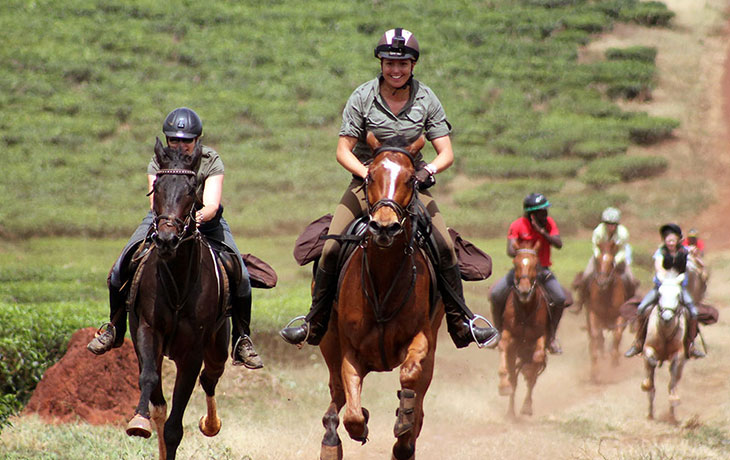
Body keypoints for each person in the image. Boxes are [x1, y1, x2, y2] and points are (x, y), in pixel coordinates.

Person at [279, 28, 498, 349]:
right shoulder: (362, 96)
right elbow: (343, 150)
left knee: (445, 247)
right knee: (330, 247)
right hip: (366, 183)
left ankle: (462, 322)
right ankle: (315, 321)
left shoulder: (427, 99)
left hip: (410, 185)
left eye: (403, 64)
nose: (396, 70)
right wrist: (367, 174)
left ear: (413, 65)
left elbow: (446, 152)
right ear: (380, 63)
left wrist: (428, 171)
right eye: (390, 63)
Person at [87, 107, 264, 369]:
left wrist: (194, 221)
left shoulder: (211, 160)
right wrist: (170, 224)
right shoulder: (157, 161)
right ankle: (114, 327)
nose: (180, 146)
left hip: (207, 222)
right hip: (164, 222)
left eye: (186, 140)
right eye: (174, 140)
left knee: (243, 277)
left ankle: (241, 340)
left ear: (197, 140)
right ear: (167, 140)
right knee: (118, 270)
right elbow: (153, 202)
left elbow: (212, 204)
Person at [488, 193, 567, 354]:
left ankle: (551, 337)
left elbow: (558, 244)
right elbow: (510, 250)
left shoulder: (549, 224)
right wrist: (524, 251)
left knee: (560, 298)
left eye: (545, 211)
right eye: (541, 212)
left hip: (542, 270)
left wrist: (542, 231)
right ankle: (498, 332)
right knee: (496, 294)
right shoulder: (517, 225)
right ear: (531, 214)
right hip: (521, 271)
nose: (545, 215)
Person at [624, 223, 705, 359]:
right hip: (661, 288)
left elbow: (691, 265)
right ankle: (638, 343)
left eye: (673, 239)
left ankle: (691, 345)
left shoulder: (684, 252)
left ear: (678, 240)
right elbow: (658, 267)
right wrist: (665, 278)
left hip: (678, 289)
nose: (671, 242)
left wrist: (682, 274)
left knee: (693, 312)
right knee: (642, 308)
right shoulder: (660, 252)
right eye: (668, 239)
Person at [577, 207, 637, 299]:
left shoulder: (623, 233)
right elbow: (595, 246)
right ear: (604, 224)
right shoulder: (598, 232)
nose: (610, 226)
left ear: (617, 224)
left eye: (613, 224)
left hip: (618, 257)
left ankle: (631, 301)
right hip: (600, 256)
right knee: (586, 276)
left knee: (631, 279)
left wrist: (615, 260)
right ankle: (582, 301)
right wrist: (599, 257)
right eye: (608, 224)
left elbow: (622, 250)